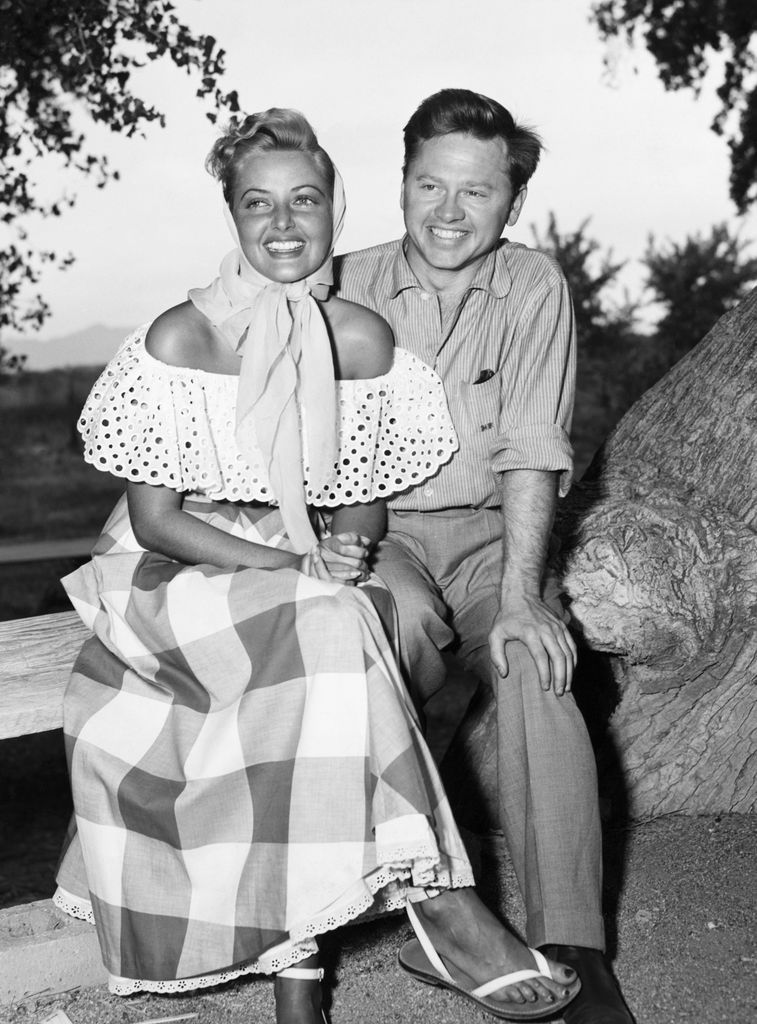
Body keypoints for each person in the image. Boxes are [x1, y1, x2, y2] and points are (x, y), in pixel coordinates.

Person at [53, 108, 581, 1024]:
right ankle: (436, 903)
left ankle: (302, 954)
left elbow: (364, 477)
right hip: (172, 569)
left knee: (340, 623)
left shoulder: (363, 336)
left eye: (304, 200)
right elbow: (157, 521)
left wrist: (348, 538)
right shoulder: (183, 337)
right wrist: (297, 560)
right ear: (231, 216)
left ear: (336, 208)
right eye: (258, 204)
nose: (284, 224)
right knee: (335, 621)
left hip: (291, 560)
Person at [335, 89, 635, 1024]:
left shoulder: (535, 288)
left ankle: (572, 944)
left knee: (533, 661)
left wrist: (520, 597)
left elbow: (536, 449)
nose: (447, 212)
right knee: (397, 626)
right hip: (374, 531)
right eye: (429, 185)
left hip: (489, 535)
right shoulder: (339, 281)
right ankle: (433, 906)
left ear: (512, 201)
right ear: (401, 183)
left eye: (475, 191)